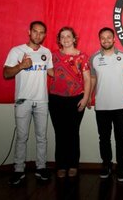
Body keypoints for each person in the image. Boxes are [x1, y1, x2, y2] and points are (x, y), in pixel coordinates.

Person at [88, 27, 123, 182]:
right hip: (102, 106)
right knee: (104, 138)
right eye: (103, 38)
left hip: (121, 106)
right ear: (100, 40)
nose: (106, 40)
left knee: (121, 139)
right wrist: (89, 97)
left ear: (114, 39)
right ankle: (106, 165)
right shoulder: (94, 58)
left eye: (109, 37)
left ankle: (122, 168)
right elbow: (92, 79)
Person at [3, 21, 53, 185]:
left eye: (41, 32)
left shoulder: (47, 52)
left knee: (41, 137)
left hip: (41, 100)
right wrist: (21, 65)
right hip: (23, 100)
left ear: (44, 35)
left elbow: (52, 72)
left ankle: (41, 167)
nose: (38, 35)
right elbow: (6, 73)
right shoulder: (17, 51)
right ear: (29, 32)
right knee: (22, 137)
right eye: (35, 32)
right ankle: (19, 170)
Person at [49, 26, 91, 178]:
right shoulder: (52, 55)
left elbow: (87, 79)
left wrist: (85, 98)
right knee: (60, 133)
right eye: (62, 37)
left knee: (73, 133)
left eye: (68, 36)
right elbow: (49, 70)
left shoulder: (82, 56)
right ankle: (61, 165)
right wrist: (59, 76)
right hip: (55, 99)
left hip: (76, 99)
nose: (66, 39)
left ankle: (73, 164)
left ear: (74, 39)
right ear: (59, 40)